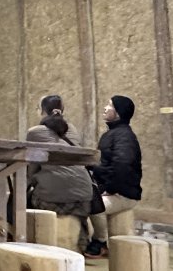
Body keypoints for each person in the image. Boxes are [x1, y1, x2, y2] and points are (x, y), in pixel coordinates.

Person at [23, 95, 94, 246]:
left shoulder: (34, 132)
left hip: (53, 197)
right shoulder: (72, 129)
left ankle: (29, 242)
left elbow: (32, 168)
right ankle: (81, 242)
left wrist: (26, 186)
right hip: (84, 194)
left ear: (42, 111)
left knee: (24, 199)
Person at [84, 95, 142, 258]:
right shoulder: (113, 134)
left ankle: (100, 242)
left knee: (93, 204)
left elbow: (123, 166)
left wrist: (110, 188)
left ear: (119, 112)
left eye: (110, 105)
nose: (105, 108)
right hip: (111, 189)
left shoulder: (124, 136)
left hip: (123, 193)